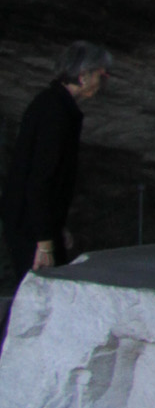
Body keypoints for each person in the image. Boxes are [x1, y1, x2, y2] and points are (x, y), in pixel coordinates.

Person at [3, 43, 112, 281]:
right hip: (29, 225)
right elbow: (40, 180)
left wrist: (54, 226)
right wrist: (44, 241)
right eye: (101, 75)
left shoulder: (55, 105)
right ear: (83, 76)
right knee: (41, 289)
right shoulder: (56, 113)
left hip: (33, 221)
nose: (102, 83)